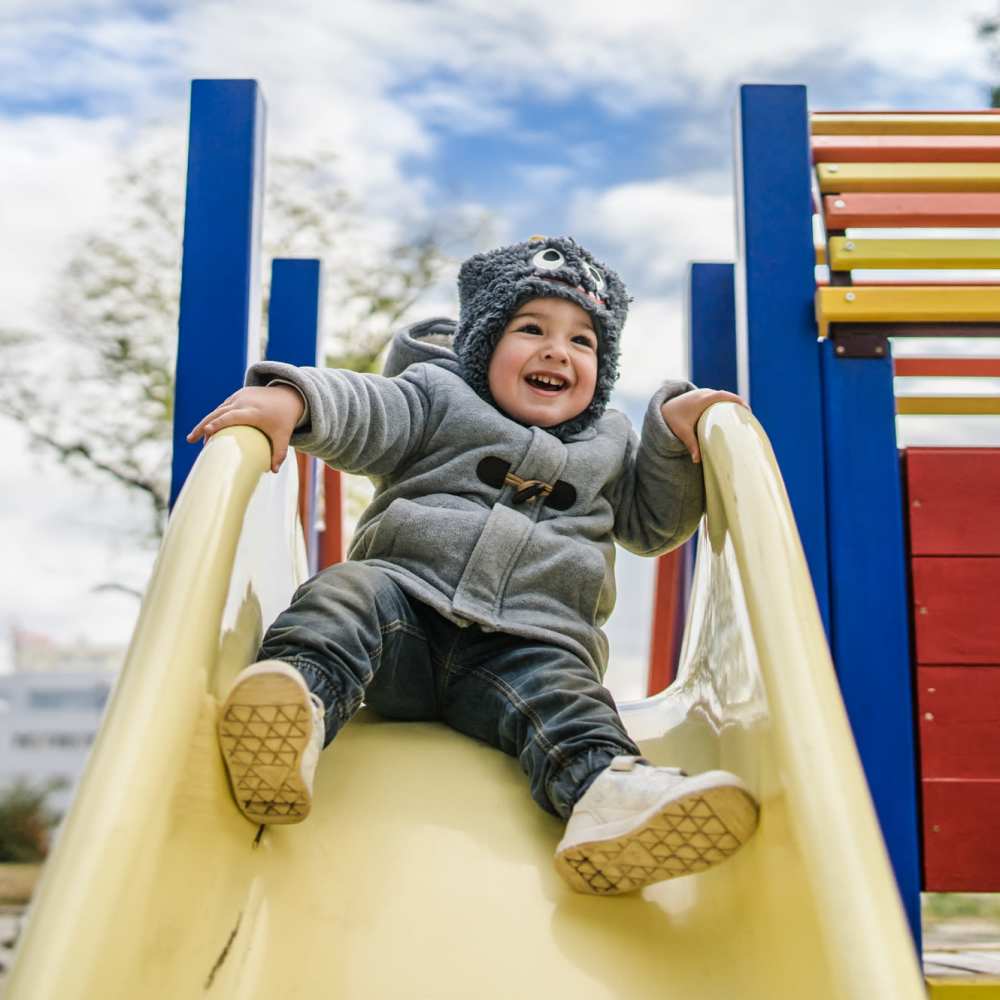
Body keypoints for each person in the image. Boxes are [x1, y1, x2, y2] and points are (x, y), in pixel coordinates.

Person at [188, 236, 758, 895]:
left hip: (528, 653)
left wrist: (669, 430)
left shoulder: (611, 444)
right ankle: (300, 708)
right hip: (401, 616)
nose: (556, 351)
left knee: (570, 704)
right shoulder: (436, 398)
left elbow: (654, 526)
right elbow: (366, 408)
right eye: (531, 329)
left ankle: (606, 797)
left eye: (583, 342)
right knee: (345, 593)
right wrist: (295, 400)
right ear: (484, 344)